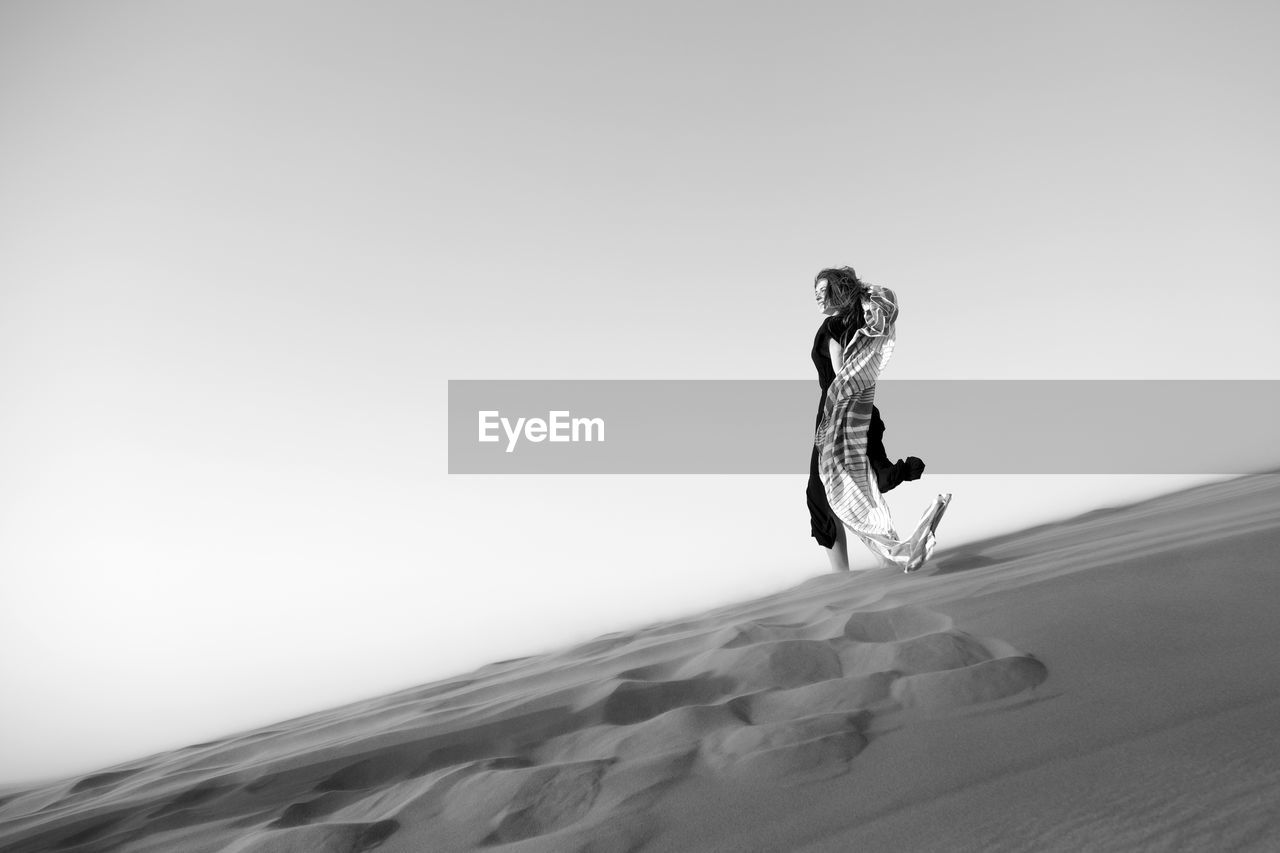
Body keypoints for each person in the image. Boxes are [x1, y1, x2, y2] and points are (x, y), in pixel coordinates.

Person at [808, 266, 950, 572]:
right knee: (855, 489)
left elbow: (840, 378)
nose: (818, 298)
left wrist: (829, 428)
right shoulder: (849, 324)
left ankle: (846, 577)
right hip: (859, 413)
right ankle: (891, 556)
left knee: (823, 498)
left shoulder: (833, 328)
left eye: (823, 291)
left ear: (837, 291)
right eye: (815, 293)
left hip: (836, 419)